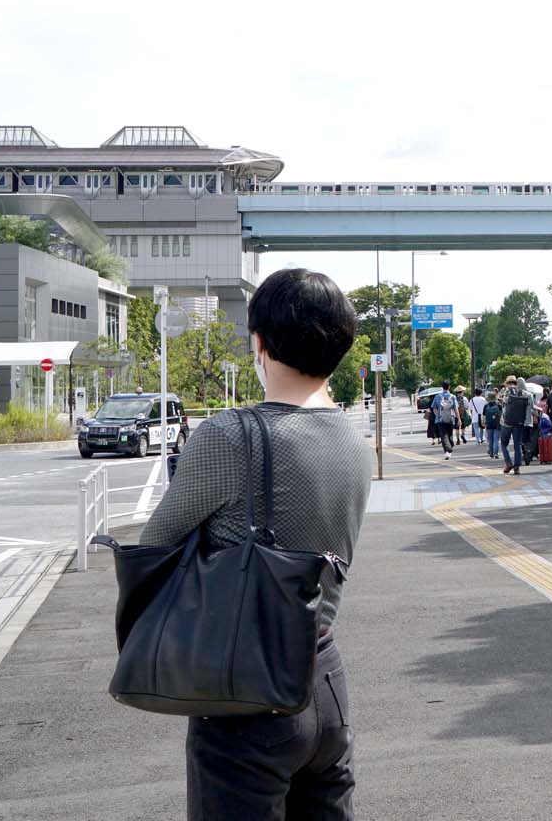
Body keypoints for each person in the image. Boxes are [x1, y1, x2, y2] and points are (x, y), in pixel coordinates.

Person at [140, 268, 370, 819]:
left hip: (247, 691)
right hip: (326, 681)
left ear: (259, 342)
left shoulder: (231, 435)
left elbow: (154, 547)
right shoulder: (355, 440)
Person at [498, 375, 533, 475]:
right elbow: (530, 404)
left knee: (504, 443)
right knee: (517, 444)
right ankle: (517, 467)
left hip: (506, 422)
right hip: (519, 422)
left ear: (507, 383)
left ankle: (508, 463)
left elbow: (498, 403)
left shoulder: (504, 392)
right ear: (516, 383)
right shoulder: (524, 393)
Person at [430, 381, 459, 460]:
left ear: (442, 387)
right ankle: (449, 450)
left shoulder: (437, 397)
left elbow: (434, 408)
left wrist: (438, 415)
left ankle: (447, 451)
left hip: (440, 420)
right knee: (450, 435)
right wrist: (458, 419)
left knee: (443, 436)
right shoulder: (452, 397)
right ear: (449, 387)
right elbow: (455, 409)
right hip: (450, 419)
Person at [482, 392, 502, 458]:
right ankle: (496, 453)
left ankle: (491, 453)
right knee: (496, 439)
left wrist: (483, 423)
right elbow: (501, 415)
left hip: (489, 424)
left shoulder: (486, 406)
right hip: (497, 424)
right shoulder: (498, 405)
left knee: (490, 440)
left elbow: (484, 416)